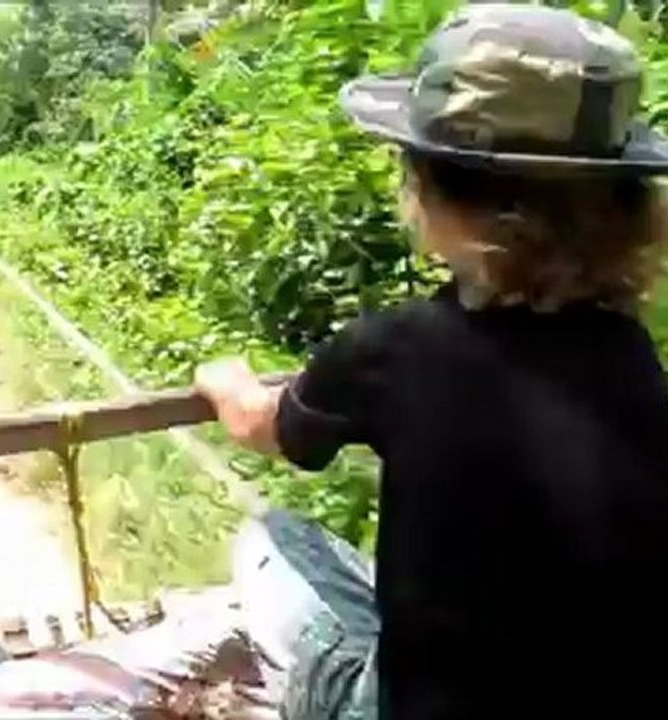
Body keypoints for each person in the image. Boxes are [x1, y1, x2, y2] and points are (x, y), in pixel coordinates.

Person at [195, 4, 668, 719]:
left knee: (275, 539)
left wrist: (223, 380)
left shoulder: (393, 349)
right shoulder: (629, 352)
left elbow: (265, 427)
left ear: (429, 188)